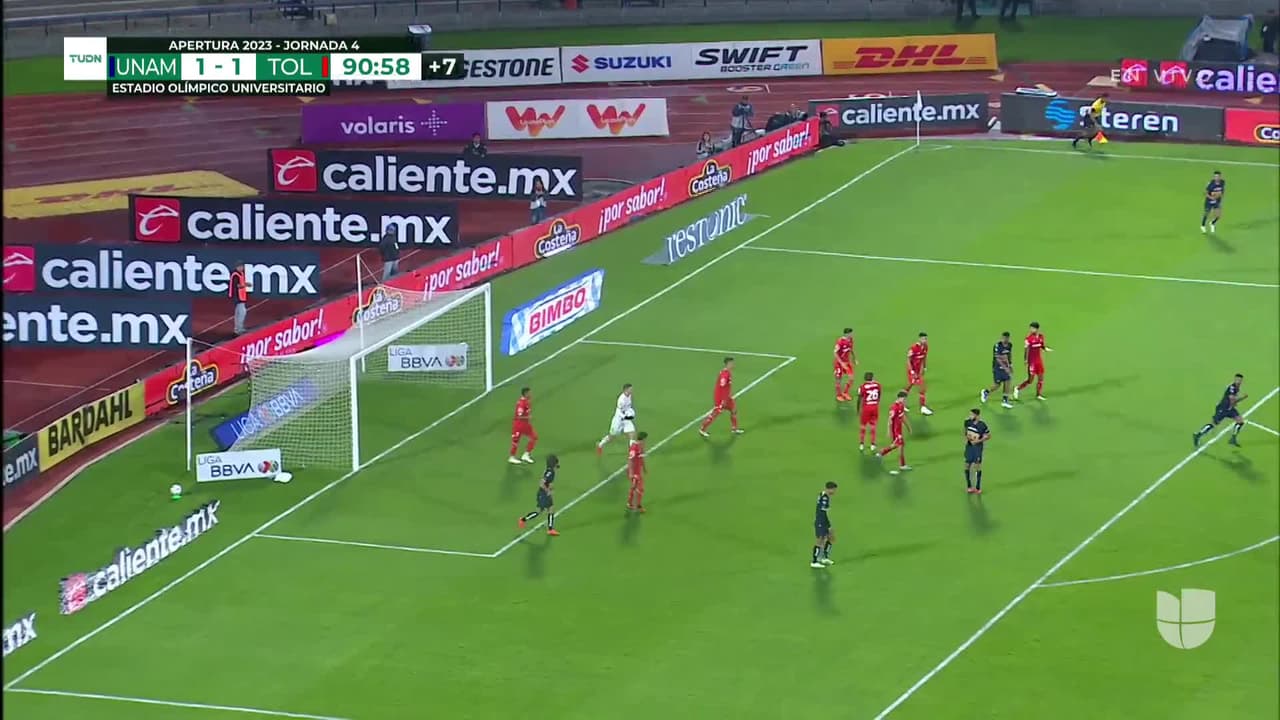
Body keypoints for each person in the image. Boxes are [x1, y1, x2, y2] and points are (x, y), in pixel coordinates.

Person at [1193, 374, 1248, 447]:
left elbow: (1233, 401)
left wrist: (1235, 403)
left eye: (1240, 380)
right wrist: (1242, 398)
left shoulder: (1237, 388)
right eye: (1237, 380)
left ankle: (1233, 439)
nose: (1238, 381)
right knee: (1213, 424)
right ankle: (1198, 435)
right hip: (1223, 408)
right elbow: (1232, 400)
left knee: (1240, 421)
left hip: (1229, 408)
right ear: (1234, 379)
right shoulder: (1232, 388)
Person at [699, 357, 744, 436]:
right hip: (721, 398)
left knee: (734, 410)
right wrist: (723, 400)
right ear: (728, 364)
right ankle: (702, 429)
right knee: (716, 413)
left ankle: (734, 429)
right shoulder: (725, 374)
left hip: (727, 397)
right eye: (732, 363)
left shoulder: (727, 372)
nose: (733, 365)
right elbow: (722, 385)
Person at [517, 454, 560, 536]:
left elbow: (549, 481)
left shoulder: (550, 470)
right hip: (543, 494)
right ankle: (523, 520)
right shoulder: (550, 472)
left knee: (551, 509)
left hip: (545, 494)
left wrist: (550, 488)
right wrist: (548, 491)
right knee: (539, 511)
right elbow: (541, 483)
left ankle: (550, 529)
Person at [1015, 322, 1051, 401]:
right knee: (1030, 380)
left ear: (1037, 329)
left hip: (1039, 361)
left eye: (1032, 328)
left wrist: (1045, 349)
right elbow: (1026, 350)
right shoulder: (1028, 339)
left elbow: (1041, 345)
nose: (1031, 330)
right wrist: (1025, 360)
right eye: (1030, 328)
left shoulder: (1041, 336)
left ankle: (1038, 394)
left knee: (1041, 378)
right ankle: (1017, 388)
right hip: (1032, 363)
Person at [878, 391, 912, 474]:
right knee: (900, 445)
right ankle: (902, 465)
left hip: (899, 430)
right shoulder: (894, 407)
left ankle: (881, 453)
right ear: (900, 398)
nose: (905, 400)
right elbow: (890, 420)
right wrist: (889, 431)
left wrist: (908, 427)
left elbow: (902, 417)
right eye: (904, 399)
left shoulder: (901, 405)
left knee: (897, 445)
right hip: (895, 431)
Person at [597, 383, 636, 454]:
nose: (632, 390)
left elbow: (628, 406)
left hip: (626, 419)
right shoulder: (621, 399)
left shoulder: (629, 396)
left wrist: (631, 412)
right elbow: (619, 411)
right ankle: (600, 444)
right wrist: (625, 416)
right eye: (630, 389)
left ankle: (632, 452)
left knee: (632, 433)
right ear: (626, 390)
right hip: (618, 419)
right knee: (612, 436)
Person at [981, 332, 1016, 409]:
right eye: (1003, 338)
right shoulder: (997, 346)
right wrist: (1006, 368)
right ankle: (986, 392)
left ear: (1008, 338)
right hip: (997, 368)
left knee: (1007, 381)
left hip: (1005, 367)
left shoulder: (1010, 345)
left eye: (1006, 338)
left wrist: (1010, 365)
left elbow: (1009, 355)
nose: (1004, 339)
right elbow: (998, 359)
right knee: (997, 385)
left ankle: (1005, 401)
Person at [905, 332, 934, 415]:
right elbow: (908, 360)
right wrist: (911, 371)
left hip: (918, 371)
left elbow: (924, 357)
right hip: (912, 371)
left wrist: (924, 367)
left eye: (926, 339)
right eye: (923, 339)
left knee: (910, 386)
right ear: (919, 339)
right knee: (922, 387)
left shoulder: (925, 347)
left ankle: (901, 400)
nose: (925, 340)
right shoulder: (914, 348)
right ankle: (923, 407)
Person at [811, 481, 838, 568]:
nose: (834, 492)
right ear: (829, 489)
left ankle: (824, 558)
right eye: (833, 490)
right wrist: (828, 526)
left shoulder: (823, 495)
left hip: (824, 521)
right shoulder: (824, 498)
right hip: (821, 521)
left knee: (831, 538)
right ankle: (814, 561)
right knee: (820, 541)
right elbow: (822, 513)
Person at [964, 408, 991, 494]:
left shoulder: (982, 425)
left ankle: (978, 487)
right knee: (967, 465)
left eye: (972, 415)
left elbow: (988, 436)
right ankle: (969, 486)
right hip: (969, 447)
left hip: (977, 448)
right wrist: (967, 438)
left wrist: (978, 441)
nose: (970, 416)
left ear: (977, 416)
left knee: (977, 466)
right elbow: (965, 431)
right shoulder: (967, 422)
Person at [508, 386, 538, 464]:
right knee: (515, 441)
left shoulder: (526, 401)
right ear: (525, 393)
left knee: (534, 437)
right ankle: (511, 457)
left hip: (526, 424)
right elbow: (519, 415)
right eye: (529, 393)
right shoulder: (521, 403)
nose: (530, 394)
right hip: (519, 425)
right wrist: (528, 417)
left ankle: (526, 455)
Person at [857, 372, 883, 452]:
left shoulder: (862, 387)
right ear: (873, 377)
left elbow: (859, 398)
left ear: (865, 378)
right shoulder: (878, 385)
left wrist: (858, 409)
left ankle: (861, 444)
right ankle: (873, 444)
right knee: (873, 426)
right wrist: (877, 402)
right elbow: (879, 395)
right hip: (875, 407)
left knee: (863, 426)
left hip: (866, 408)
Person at [833, 327, 858, 402]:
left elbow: (851, 349)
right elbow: (835, 353)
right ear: (847, 334)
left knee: (851, 378)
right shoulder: (840, 342)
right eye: (851, 333)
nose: (852, 334)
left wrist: (854, 359)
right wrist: (841, 363)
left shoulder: (850, 340)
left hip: (847, 362)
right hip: (839, 363)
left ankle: (845, 392)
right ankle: (839, 395)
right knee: (838, 380)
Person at [627, 431, 648, 512]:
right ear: (642, 439)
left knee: (635, 488)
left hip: (638, 471)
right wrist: (631, 473)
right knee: (639, 488)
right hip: (634, 472)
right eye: (645, 439)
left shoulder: (641, 447)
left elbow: (641, 458)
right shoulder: (634, 447)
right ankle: (636, 505)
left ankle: (631, 503)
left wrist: (644, 468)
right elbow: (630, 460)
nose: (646, 441)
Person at [229, 262, 252, 335]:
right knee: (242, 312)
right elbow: (237, 285)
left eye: (242, 266)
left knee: (238, 312)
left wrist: (245, 284)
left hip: (241, 295)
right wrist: (246, 285)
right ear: (237, 267)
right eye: (240, 267)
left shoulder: (241, 273)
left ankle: (238, 328)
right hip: (237, 295)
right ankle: (239, 329)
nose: (242, 268)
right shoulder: (235, 275)